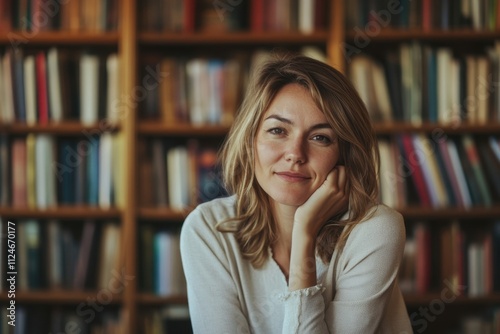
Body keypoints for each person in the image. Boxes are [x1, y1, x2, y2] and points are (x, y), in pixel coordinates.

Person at [180, 53, 412, 333]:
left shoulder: (375, 230)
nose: (295, 154)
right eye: (278, 130)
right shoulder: (208, 229)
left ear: (344, 155)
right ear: (251, 139)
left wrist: (305, 234)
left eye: (320, 138)